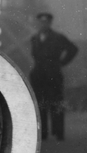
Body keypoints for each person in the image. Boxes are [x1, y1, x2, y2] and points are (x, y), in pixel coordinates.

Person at [28, 11, 79, 141]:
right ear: (38, 23)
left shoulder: (58, 37)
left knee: (56, 103)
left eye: (46, 22)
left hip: (53, 75)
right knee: (41, 104)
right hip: (38, 76)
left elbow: (73, 49)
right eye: (41, 22)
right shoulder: (34, 38)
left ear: (50, 23)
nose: (43, 24)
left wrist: (62, 63)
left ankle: (59, 132)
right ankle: (43, 133)